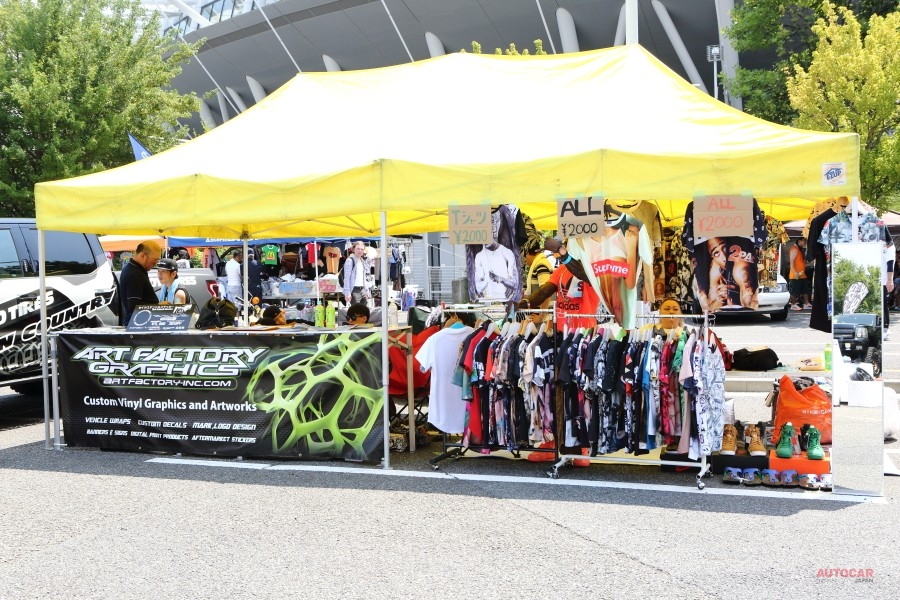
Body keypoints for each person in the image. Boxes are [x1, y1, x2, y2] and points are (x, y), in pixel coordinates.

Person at [473, 217, 518, 301]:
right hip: (485, 303)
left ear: (493, 230)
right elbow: (477, 285)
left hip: (504, 302)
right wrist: (486, 282)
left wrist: (500, 279)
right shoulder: (479, 256)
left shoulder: (506, 253)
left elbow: (515, 283)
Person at [118, 240, 162, 325]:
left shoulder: (132, 269)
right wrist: (159, 306)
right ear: (143, 256)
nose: (155, 264)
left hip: (138, 322)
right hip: (140, 324)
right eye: (155, 260)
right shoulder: (135, 274)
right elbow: (134, 305)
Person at [342, 241, 370, 306]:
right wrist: (347, 293)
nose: (360, 251)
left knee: (365, 310)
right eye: (358, 249)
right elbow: (347, 278)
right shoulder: (350, 261)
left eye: (362, 249)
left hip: (363, 289)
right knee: (356, 311)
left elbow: (364, 277)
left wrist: (366, 290)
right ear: (354, 249)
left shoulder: (363, 261)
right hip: (354, 290)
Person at [788, 238, 811, 310]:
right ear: (799, 241)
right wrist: (795, 272)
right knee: (794, 290)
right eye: (804, 240)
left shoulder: (799, 249)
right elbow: (791, 262)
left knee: (805, 289)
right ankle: (793, 304)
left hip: (802, 274)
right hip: (795, 274)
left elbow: (799, 261)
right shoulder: (794, 249)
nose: (805, 242)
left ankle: (807, 304)